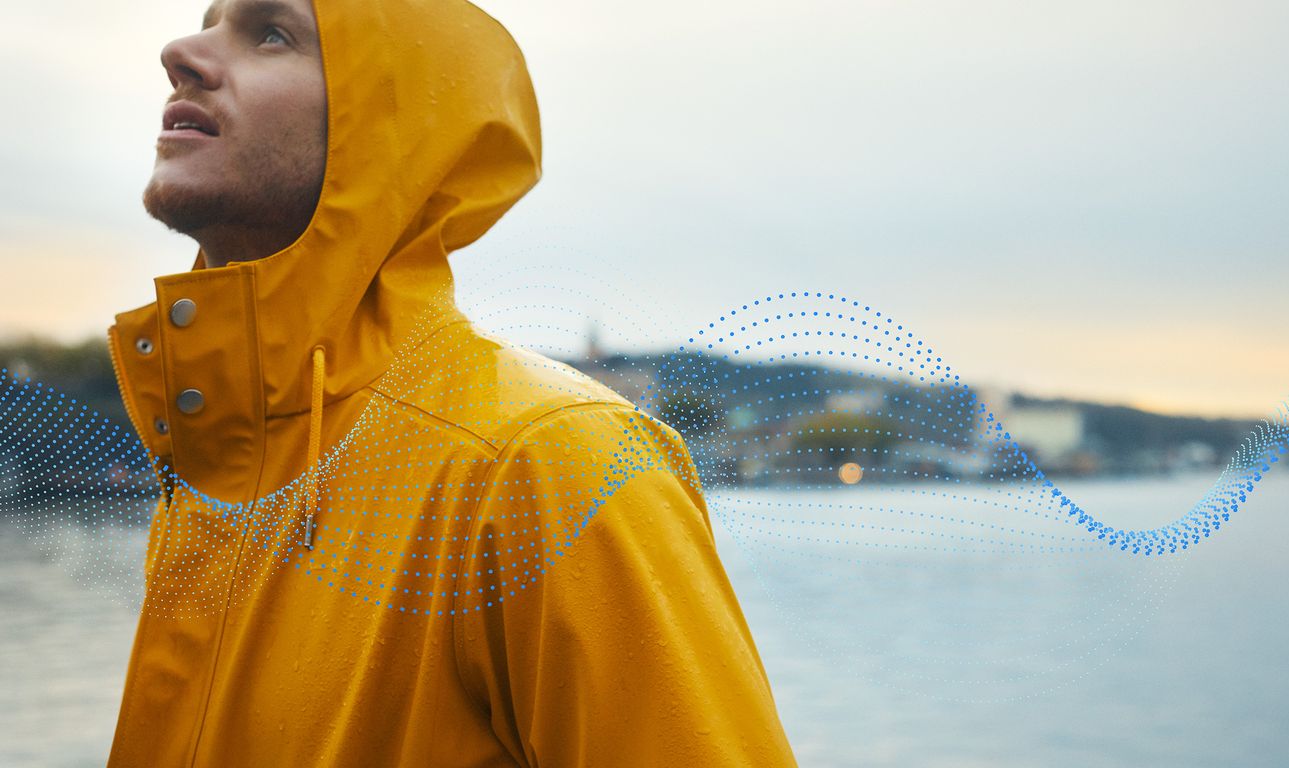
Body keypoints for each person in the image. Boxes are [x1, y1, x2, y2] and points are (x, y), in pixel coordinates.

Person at [104, 0, 799, 765]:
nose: (182, 52)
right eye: (206, 19)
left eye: (272, 33)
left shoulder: (554, 465)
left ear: (386, 131)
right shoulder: (222, 456)